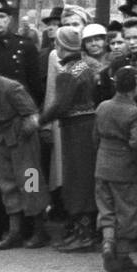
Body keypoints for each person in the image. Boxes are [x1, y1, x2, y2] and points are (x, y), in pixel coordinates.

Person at [0, 51, 50, 250]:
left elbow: (31, 115)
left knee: (31, 183)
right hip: (1, 143)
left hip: (22, 143)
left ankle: (39, 230)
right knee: (8, 185)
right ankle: (15, 232)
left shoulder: (11, 87)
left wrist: (23, 137)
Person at [39, 25, 103, 253]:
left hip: (74, 129)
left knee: (76, 180)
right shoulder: (86, 66)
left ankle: (83, 234)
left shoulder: (67, 72)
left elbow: (60, 105)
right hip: (89, 125)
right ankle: (84, 231)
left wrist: (40, 120)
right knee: (86, 177)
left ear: (60, 46)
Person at [93, 65, 137, 272]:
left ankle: (107, 243)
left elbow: (95, 137)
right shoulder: (135, 112)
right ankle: (123, 256)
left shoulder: (102, 107)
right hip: (124, 167)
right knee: (126, 211)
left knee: (106, 208)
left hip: (102, 164)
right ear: (134, 86)